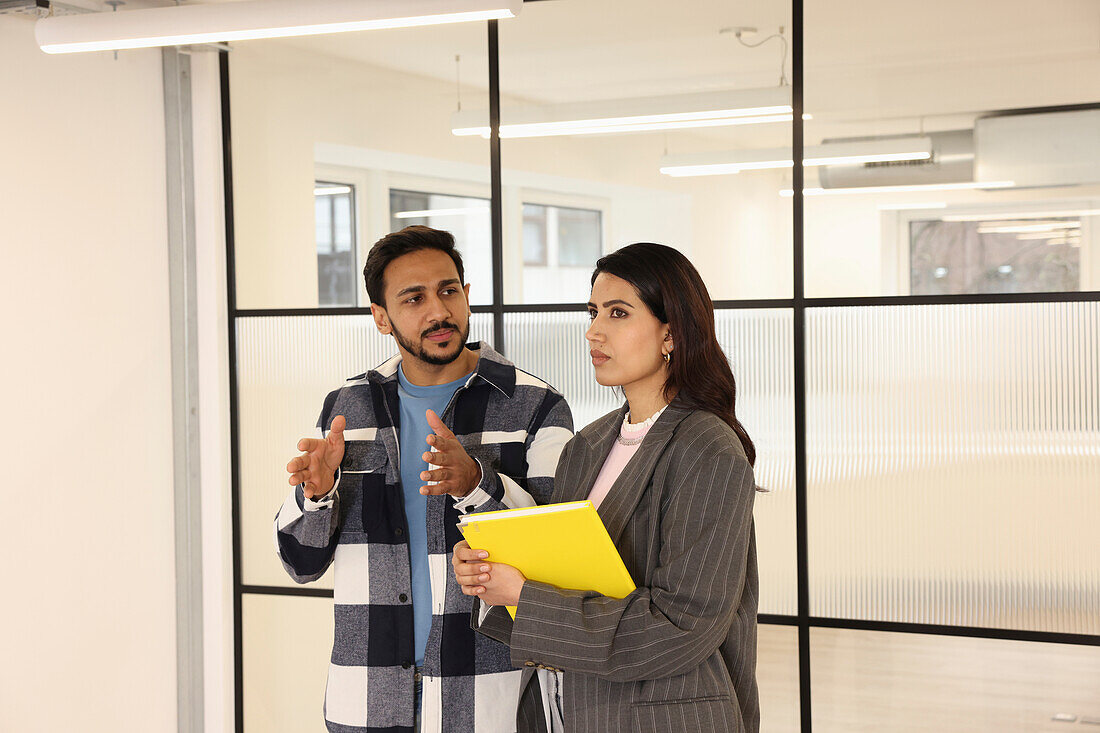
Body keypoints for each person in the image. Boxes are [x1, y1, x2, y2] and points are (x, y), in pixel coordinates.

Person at [275, 225, 573, 733]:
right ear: (381, 317)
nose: (438, 311)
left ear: (467, 295)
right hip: (367, 702)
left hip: (488, 699)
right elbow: (299, 564)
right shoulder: (349, 407)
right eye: (414, 298)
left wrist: (477, 482)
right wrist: (318, 495)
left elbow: (560, 560)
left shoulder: (535, 407)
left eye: (448, 290)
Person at [453, 242, 760, 733]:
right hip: (568, 711)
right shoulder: (588, 445)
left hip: (665, 718)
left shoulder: (707, 448)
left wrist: (526, 597)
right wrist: (492, 579)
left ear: (671, 333)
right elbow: (563, 579)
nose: (594, 331)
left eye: (618, 313)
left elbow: (682, 627)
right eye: (593, 312)